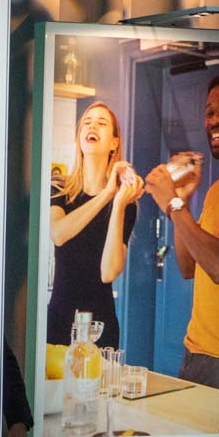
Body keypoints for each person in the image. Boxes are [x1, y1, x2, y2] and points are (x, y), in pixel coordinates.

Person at [142, 73, 219, 390]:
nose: (215, 119)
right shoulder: (216, 190)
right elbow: (188, 267)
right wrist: (181, 201)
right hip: (195, 352)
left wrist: (173, 203)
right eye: (210, 112)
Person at [45, 101, 144, 345]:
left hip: (100, 326)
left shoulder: (125, 203)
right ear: (80, 137)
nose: (92, 127)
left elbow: (108, 272)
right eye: (87, 123)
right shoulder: (59, 188)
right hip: (59, 320)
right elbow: (58, 233)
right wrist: (106, 195)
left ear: (114, 143)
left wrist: (118, 203)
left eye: (102, 124)